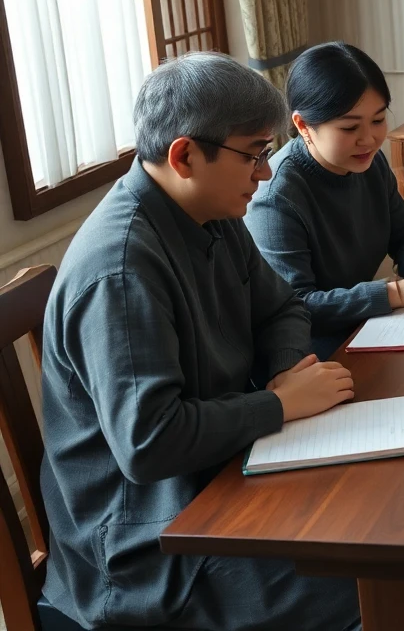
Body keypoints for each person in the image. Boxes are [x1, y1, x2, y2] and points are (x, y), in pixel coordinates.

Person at [37, 52, 362, 629]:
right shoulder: (120, 271)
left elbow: (281, 304)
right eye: (255, 154)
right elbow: (149, 445)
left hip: (217, 474)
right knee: (365, 582)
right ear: (185, 155)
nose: (265, 173)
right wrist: (281, 403)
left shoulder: (209, 210)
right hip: (146, 541)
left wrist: (287, 371)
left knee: (381, 524)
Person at [246, 42, 404, 359]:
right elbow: (297, 308)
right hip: (309, 354)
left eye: (377, 120)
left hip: (365, 327)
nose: (369, 139)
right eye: (349, 127)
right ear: (303, 125)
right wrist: (398, 292)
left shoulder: (367, 161)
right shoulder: (277, 196)